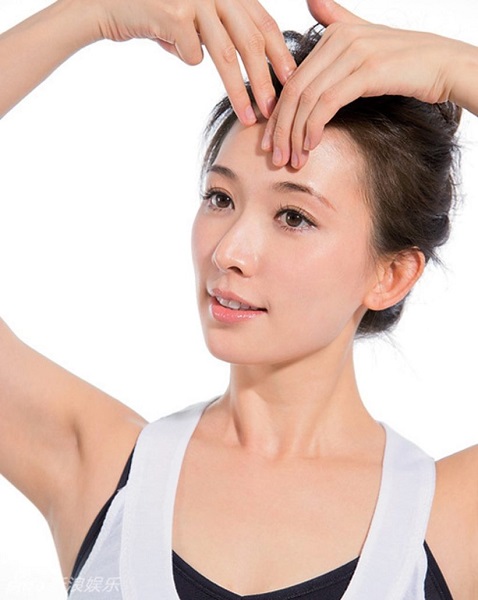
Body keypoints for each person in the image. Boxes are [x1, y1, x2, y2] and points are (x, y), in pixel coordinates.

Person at [0, 0, 477, 599]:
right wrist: (93, 13)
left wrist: (458, 69)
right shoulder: (100, 472)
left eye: (294, 216)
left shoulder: (446, 521)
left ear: (392, 275)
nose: (230, 251)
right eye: (221, 198)